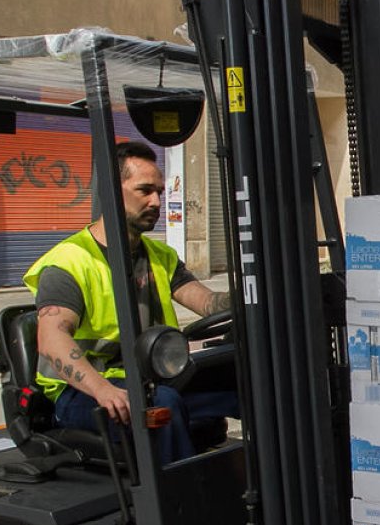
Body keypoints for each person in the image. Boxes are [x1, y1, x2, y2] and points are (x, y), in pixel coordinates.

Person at [23, 141, 237, 464]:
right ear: (111, 189)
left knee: (246, 381)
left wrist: (255, 293)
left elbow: (207, 303)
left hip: (148, 380)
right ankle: (179, 508)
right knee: (161, 404)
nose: (156, 201)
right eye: (145, 191)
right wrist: (102, 390)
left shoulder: (159, 256)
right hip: (83, 394)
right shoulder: (70, 262)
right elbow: (51, 340)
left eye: (160, 193)